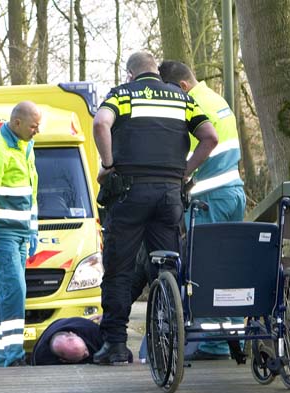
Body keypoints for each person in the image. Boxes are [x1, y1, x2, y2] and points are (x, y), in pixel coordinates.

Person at [92, 50, 218, 365]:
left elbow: (100, 124)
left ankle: (116, 346)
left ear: (131, 75)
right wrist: (184, 172)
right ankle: (169, 341)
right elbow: (210, 137)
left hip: (130, 193)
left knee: (119, 270)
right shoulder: (181, 98)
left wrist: (108, 164)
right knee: (168, 269)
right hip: (169, 195)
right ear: (156, 74)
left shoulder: (122, 96)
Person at [159, 59, 247, 363]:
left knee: (207, 268)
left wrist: (182, 172)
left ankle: (215, 345)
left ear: (182, 86)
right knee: (232, 266)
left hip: (211, 199)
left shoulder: (193, 104)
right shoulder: (217, 98)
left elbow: (204, 144)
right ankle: (235, 335)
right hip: (234, 192)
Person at [0, 101, 42, 368]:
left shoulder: (26, 146)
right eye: (34, 126)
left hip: (21, 234)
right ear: (17, 124)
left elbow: (32, 193)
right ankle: (14, 356)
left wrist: (33, 230)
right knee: (15, 290)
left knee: (3, 296)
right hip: (1, 234)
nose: (38, 131)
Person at [31, 317, 102, 365]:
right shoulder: (42, 358)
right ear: (63, 360)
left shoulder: (94, 332)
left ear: (74, 334)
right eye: (83, 356)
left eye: (85, 348)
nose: (87, 354)